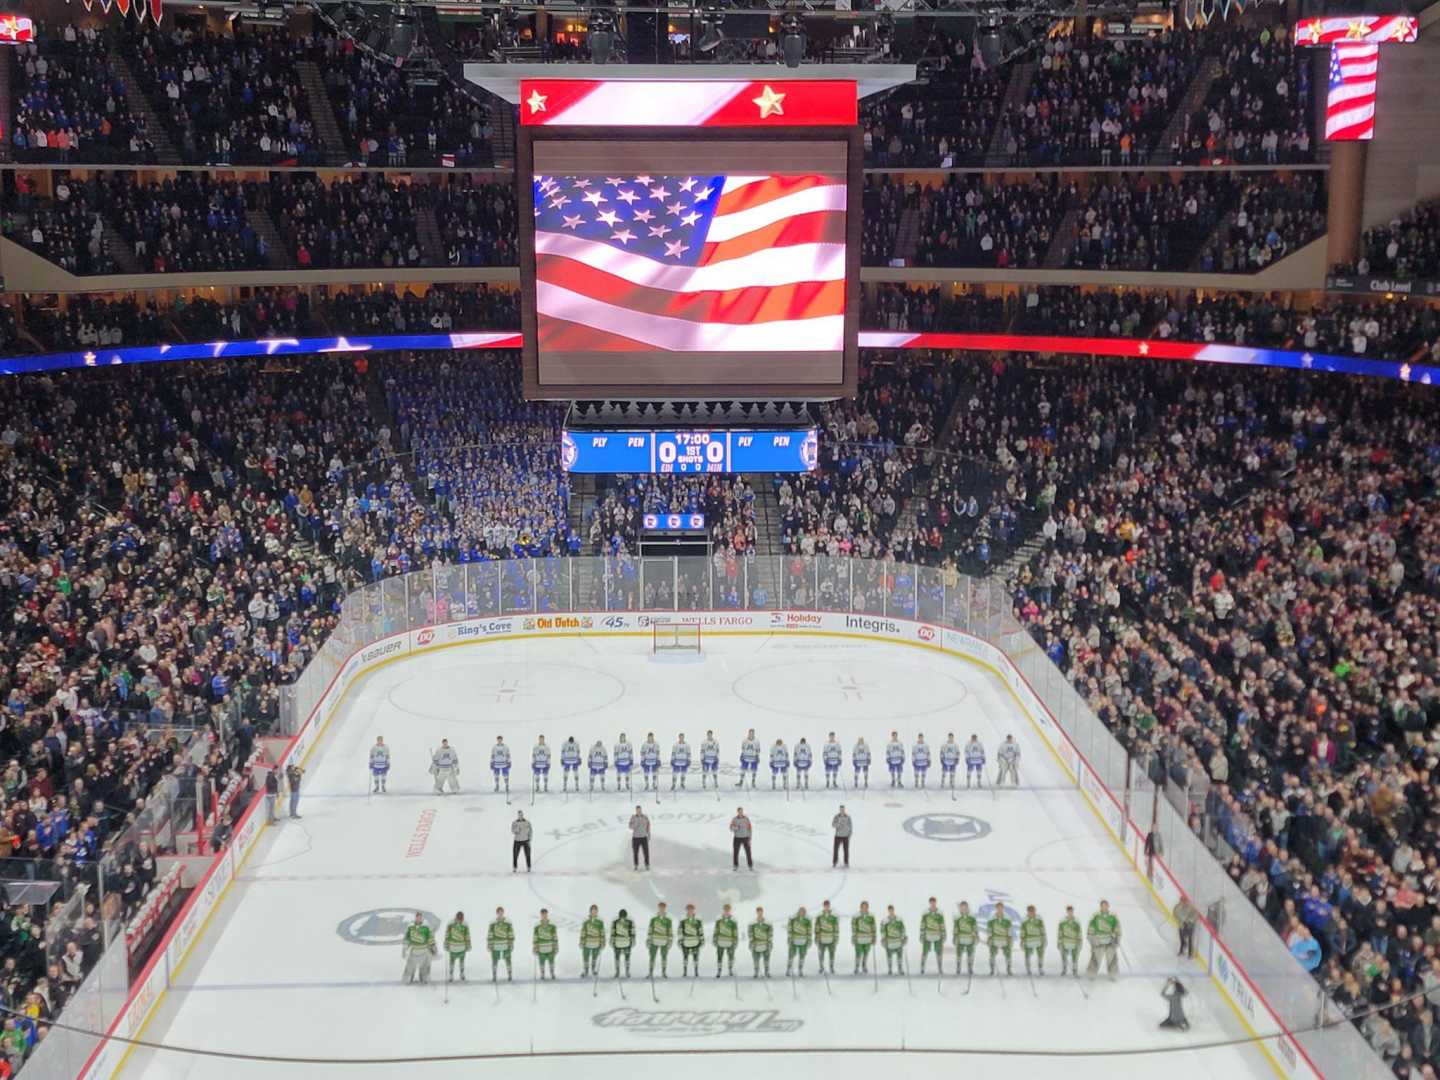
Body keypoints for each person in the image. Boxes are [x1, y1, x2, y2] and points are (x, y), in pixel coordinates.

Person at [1086, 900, 1121, 980]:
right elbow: (1091, 928)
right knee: (1095, 957)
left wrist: (1116, 938)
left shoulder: (1113, 916)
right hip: (1098, 940)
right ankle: (1091, 973)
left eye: (1106, 905)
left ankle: (1113, 974)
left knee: (1112, 957)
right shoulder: (1096, 916)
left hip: (1109, 940)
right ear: (1100, 907)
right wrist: (1092, 939)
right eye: (1102, 905)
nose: (1104, 907)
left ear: (1108, 906)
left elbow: (1117, 928)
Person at [402, 913, 436, 984]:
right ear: (416, 918)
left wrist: (433, 946)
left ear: (422, 918)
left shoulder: (426, 927)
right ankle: (408, 977)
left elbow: (430, 937)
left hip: (424, 950)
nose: (419, 919)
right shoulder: (411, 927)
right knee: (410, 966)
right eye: (418, 917)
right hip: (414, 950)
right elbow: (407, 938)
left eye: (420, 917)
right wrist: (405, 948)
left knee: (425, 966)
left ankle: (424, 977)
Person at [487, 906, 514, 981]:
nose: (500, 913)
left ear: (503, 912)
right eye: (499, 912)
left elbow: (510, 933)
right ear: (497, 913)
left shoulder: (508, 922)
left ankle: (509, 974)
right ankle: (494, 975)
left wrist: (511, 943)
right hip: (496, 945)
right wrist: (490, 944)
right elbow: (490, 933)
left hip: (505, 944)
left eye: (501, 912)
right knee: (494, 960)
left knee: (508, 960)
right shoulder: (493, 923)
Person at [647, 902, 673, 978]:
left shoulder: (668, 920)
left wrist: (670, 941)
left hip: (664, 941)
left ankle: (664, 972)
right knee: (652, 956)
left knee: (664, 957)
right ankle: (650, 972)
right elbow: (650, 930)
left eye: (663, 907)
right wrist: (649, 939)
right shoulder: (653, 919)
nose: (662, 908)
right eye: (660, 907)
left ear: (665, 908)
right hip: (654, 940)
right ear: (658, 908)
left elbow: (670, 931)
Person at [987, 902, 1014, 975]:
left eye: (1001, 908)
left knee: (1008, 955)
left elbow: (1010, 929)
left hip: (1004, 939)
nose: (999, 909)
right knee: (992, 955)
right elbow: (989, 929)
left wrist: (1010, 938)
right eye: (998, 908)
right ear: (996, 908)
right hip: (995, 939)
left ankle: (1009, 969)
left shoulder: (1007, 918)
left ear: (1003, 908)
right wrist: (989, 937)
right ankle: (992, 970)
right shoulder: (992, 918)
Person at [920, 897, 945, 973]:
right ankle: (922, 967)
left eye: (934, 902)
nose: (933, 904)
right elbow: (922, 924)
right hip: (928, 935)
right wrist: (922, 934)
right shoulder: (925, 913)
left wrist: (943, 934)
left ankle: (940, 968)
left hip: (937, 935)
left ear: (935, 902)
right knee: (925, 952)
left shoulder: (940, 913)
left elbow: (942, 924)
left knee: (939, 952)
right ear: (929, 903)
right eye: (931, 902)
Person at [444, 911, 472, 982]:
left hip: (462, 947)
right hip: (453, 946)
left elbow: (467, 935)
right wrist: (446, 944)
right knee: (452, 961)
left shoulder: (465, 925)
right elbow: (447, 934)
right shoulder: (451, 924)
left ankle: (462, 973)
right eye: (459, 918)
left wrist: (468, 945)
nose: (460, 919)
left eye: (461, 918)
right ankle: (451, 974)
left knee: (462, 961)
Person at [953, 901, 978, 976]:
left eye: (965, 908)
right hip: (961, 939)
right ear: (960, 908)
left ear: (967, 908)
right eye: (962, 908)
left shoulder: (972, 918)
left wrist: (976, 935)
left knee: (970, 955)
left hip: (970, 939)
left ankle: (970, 968)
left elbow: (975, 928)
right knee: (959, 955)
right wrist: (955, 937)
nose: (963, 909)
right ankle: (958, 968)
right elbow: (956, 929)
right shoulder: (957, 918)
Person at [679, 903, 705, 976]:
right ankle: (685, 972)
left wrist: (702, 940)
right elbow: (680, 931)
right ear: (687, 910)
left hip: (695, 940)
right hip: (686, 941)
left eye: (691, 909)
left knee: (696, 957)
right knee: (685, 957)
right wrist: (680, 940)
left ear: (694, 910)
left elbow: (700, 931)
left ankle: (696, 971)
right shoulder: (683, 921)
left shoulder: (698, 921)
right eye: (688, 909)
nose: (690, 911)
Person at [580, 905, 606, 977]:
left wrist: (603, 942)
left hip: (596, 942)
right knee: (585, 957)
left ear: (597, 911)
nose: (594, 912)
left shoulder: (600, 922)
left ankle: (593, 969)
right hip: (587, 942)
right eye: (593, 910)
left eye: (595, 910)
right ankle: (586, 971)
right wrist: (582, 942)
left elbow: (602, 933)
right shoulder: (586, 922)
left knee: (595, 957)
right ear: (590, 911)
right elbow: (583, 932)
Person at [814, 900, 839, 974]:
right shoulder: (819, 917)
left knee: (832, 954)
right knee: (821, 954)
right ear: (823, 906)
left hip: (831, 938)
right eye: (825, 905)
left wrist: (836, 938)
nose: (826, 907)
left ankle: (831, 967)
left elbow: (836, 928)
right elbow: (817, 928)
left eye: (828, 905)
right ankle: (821, 967)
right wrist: (817, 937)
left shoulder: (834, 917)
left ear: (829, 906)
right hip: (822, 939)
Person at [786, 906, 812, 976]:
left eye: (803, 912)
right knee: (791, 955)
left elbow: (809, 930)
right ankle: (788, 969)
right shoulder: (793, 919)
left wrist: (809, 940)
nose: (802, 913)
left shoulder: (807, 920)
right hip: (794, 939)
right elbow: (790, 929)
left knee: (802, 955)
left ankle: (800, 969)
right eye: (801, 911)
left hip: (803, 940)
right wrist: (790, 938)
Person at [714, 902, 738, 977]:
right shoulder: (719, 920)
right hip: (720, 940)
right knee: (719, 956)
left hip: (729, 941)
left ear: (730, 910)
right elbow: (716, 930)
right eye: (725, 909)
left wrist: (735, 941)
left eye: (728, 909)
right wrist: (715, 939)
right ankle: (719, 971)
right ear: (723, 910)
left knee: (731, 956)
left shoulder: (733, 921)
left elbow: (735, 932)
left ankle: (730, 970)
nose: (726, 911)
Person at [1021, 905, 1046, 976]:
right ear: (1028, 912)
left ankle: (1040, 968)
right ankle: (1028, 969)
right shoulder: (1024, 920)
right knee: (1027, 955)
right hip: (1029, 940)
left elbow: (1042, 930)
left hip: (1038, 939)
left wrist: (1044, 939)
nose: (1032, 913)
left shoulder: (1039, 919)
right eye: (1030, 911)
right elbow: (1023, 931)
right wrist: (1022, 940)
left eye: (1033, 911)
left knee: (1040, 955)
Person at [881, 905, 907, 975]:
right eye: (889, 910)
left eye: (892, 910)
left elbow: (902, 929)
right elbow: (883, 931)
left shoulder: (899, 920)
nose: (891, 911)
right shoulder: (885, 921)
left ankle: (900, 969)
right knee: (889, 956)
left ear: (893, 910)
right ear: (888, 911)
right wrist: (883, 939)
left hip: (898, 940)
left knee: (900, 956)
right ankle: (890, 969)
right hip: (890, 941)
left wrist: (904, 937)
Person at [749, 906, 773, 978]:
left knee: (766, 959)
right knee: (756, 959)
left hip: (765, 943)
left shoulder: (767, 923)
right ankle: (756, 972)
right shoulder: (752, 924)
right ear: (756, 912)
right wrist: (752, 942)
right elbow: (750, 933)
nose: (759, 913)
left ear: (762, 912)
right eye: (758, 911)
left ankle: (767, 971)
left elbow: (770, 933)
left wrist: (769, 942)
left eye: (761, 911)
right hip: (756, 943)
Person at [1058, 906, 1082, 976]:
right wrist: (1059, 942)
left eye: (1071, 911)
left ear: (1073, 911)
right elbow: (1060, 932)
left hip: (1074, 942)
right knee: (1064, 957)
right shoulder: (1063, 921)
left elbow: (1079, 932)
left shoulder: (1076, 921)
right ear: (1067, 911)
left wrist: (1079, 941)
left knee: (1075, 957)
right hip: (1065, 941)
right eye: (1069, 911)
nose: (1070, 912)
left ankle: (1075, 970)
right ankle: (1064, 970)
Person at [853, 900, 876, 973]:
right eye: (863, 907)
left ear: (868, 907)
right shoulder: (856, 916)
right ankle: (857, 967)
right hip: (859, 937)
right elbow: (854, 927)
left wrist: (874, 937)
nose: (864, 908)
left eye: (866, 907)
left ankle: (864, 966)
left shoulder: (871, 916)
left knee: (866, 953)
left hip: (868, 938)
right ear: (860, 907)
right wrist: (854, 936)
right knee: (858, 953)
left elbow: (873, 927)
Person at [534, 909, 558, 980]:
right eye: (543, 914)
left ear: (547, 914)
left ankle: (552, 973)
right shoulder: (537, 925)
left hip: (550, 946)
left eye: (545, 914)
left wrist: (556, 946)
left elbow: (555, 936)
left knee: (551, 961)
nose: (544, 915)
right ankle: (542, 974)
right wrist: (535, 947)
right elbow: (535, 937)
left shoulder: (552, 925)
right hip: (541, 947)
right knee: (541, 961)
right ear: (541, 915)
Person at [611, 908, 635, 977]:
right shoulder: (629, 922)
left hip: (619, 942)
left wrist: (612, 941)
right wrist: (632, 940)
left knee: (618, 958)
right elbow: (632, 933)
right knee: (626, 958)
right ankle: (625, 972)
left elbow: (613, 933)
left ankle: (618, 972)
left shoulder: (615, 922)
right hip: (625, 942)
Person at [629, 805, 651, 870]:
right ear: (636, 811)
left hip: (644, 837)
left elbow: (648, 825)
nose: (639, 811)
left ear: (641, 810)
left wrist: (648, 834)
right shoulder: (633, 817)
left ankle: (647, 865)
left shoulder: (645, 817)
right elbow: (630, 826)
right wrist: (635, 824)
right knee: (635, 852)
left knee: (646, 852)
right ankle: (636, 865)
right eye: (637, 810)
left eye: (640, 810)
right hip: (636, 838)